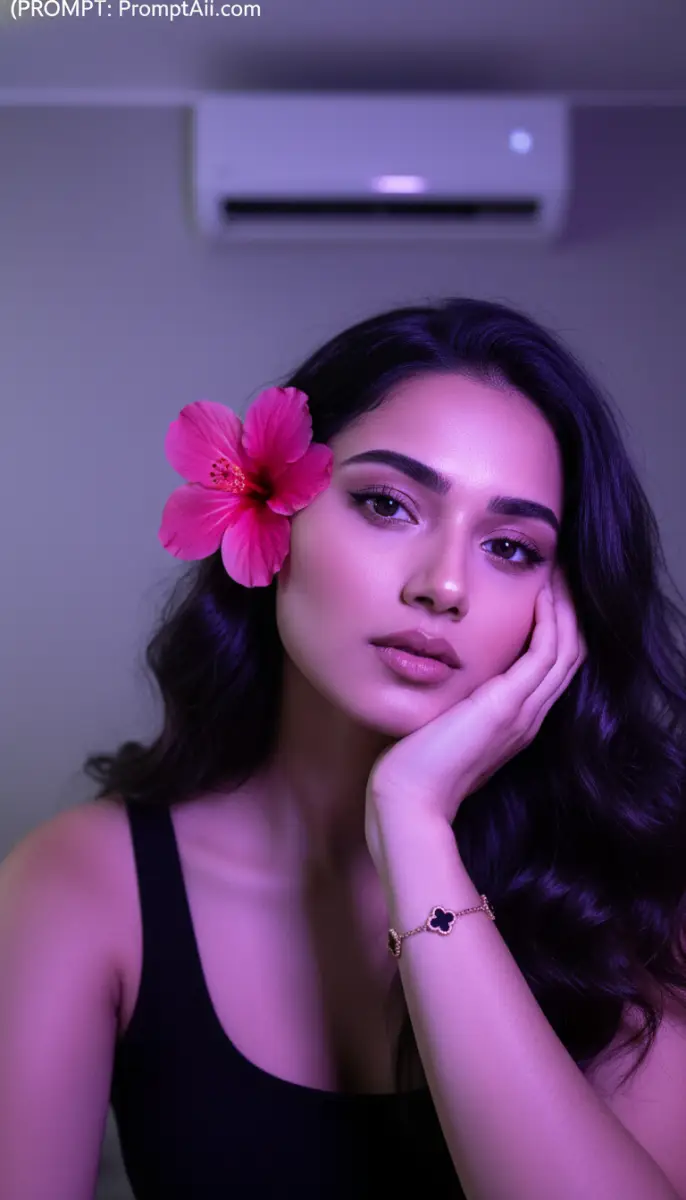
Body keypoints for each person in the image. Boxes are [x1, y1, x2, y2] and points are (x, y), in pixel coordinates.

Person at [2, 296, 686, 1200]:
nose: (444, 585)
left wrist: (412, 826)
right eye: (387, 504)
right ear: (274, 521)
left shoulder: (634, 896)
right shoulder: (84, 886)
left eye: (512, 548)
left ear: (559, 611)